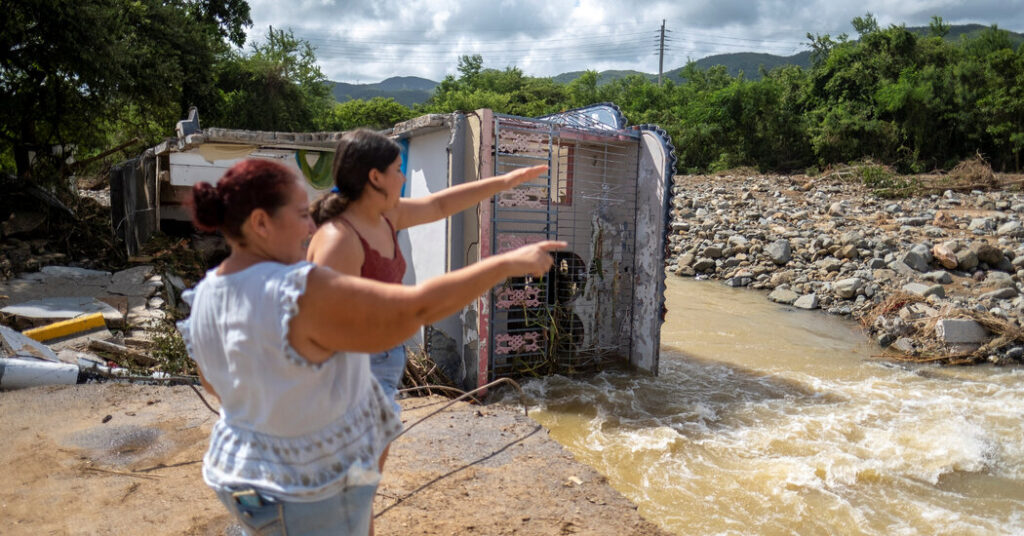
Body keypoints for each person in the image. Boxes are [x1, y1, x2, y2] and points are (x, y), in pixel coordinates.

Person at [178, 158, 562, 535]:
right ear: (261, 223)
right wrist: (506, 264)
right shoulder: (297, 288)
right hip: (305, 492)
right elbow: (418, 309)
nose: (310, 225)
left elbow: (216, 387)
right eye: (299, 214)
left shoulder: (205, 295)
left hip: (239, 483)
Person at [306, 129, 548, 469]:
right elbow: (321, 327)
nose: (403, 177)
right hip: (352, 369)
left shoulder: (385, 215)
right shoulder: (339, 241)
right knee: (347, 474)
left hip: (385, 359)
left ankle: (353, 518)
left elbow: (440, 204)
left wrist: (504, 182)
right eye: (398, 169)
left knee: (365, 476)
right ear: (375, 177)